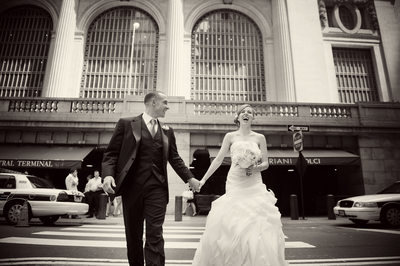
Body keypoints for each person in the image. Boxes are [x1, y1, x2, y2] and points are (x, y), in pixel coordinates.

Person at [102, 91, 201, 266]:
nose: (168, 106)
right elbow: (111, 153)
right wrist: (108, 175)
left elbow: (175, 158)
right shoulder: (126, 124)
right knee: (133, 234)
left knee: (155, 234)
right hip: (132, 188)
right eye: (165, 102)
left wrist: (190, 178)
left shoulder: (167, 131)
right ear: (153, 102)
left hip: (157, 189)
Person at [192, 104, 288, 266]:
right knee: (234, 219)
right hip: (235, 181)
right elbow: (218, 159)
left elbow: (266, 163)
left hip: (254, 182)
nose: (246, 114)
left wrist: (254, 167)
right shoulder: (230, 136)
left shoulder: (260, 138)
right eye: (243, 112)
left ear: (253, 118)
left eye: (250, 112)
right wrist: (203, 180)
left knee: (257, 220)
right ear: (238, 117)